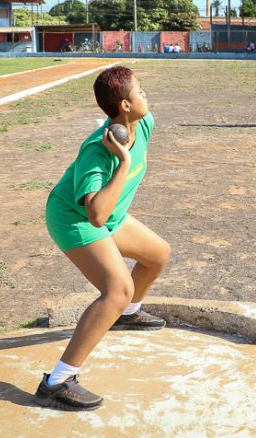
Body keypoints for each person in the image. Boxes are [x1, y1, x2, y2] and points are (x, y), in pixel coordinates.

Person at [36, 65, 172, 411]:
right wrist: (123, 163)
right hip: (74, 218)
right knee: (117, 288)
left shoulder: (144, 123)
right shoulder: (97, 151)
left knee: (157, 255)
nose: (145, 96)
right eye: (139, 91)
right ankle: (58, 381)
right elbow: (95, 214)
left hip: (110, 216)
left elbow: (107, 212)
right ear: (124, 105)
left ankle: (126, 314)